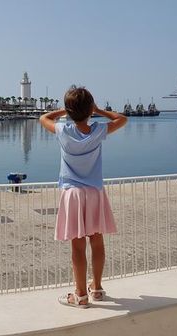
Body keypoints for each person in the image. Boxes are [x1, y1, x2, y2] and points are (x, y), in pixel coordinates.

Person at [38, 86, 128, 308]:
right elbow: (122, 119)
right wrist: (100, 111)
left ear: (69, 110)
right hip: (94, 193)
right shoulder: (98, 131)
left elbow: (43, 118)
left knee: (77, 248)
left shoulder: (62, 131)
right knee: (97, 242)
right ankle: (96, 288)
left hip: (73, 194)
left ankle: (80, 295)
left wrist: (64, 111)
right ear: (90, 109)